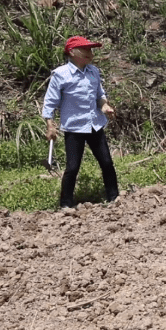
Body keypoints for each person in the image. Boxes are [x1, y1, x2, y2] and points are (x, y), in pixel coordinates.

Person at [42, 36, 119, 209]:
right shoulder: (60, 75)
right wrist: (50, 125)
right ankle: (66, 204)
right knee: (72, 167)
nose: (90, 54)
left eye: (90, 50)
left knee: (107, 162)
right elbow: (50, 101)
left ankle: (114, 197)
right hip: (74, 127)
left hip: (94, 124)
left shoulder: (93, 72)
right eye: (85, 50)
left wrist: (105, 106)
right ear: (72, 52)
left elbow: (100, 95)